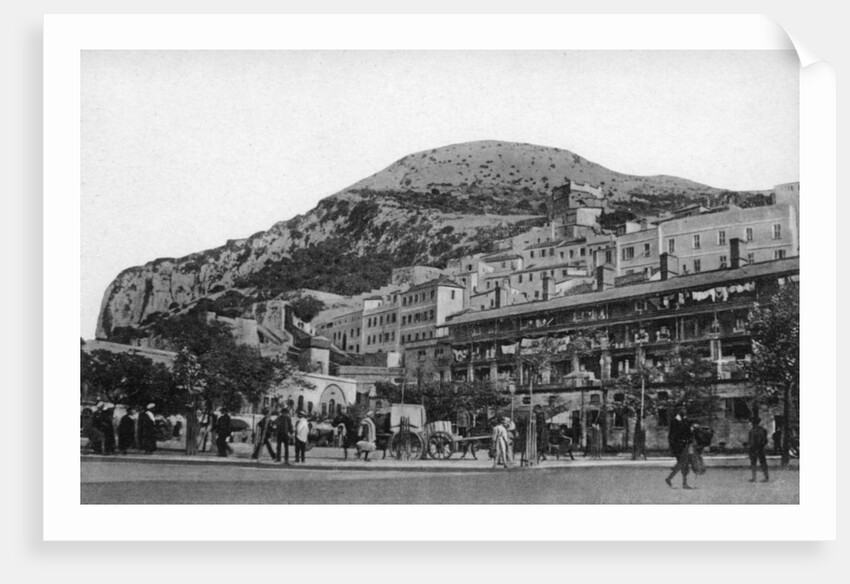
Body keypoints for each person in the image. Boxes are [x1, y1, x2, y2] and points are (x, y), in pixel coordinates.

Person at [665, 408, 694, 489]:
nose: (685, 411)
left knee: (684, 464)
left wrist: (690, 438)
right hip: (678, 446)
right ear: (679, 411)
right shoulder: (674, 421)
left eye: (685, 409)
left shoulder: (686, 420)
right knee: (682, 463)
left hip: (685, 445)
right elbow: (671, 436)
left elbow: (688, 432)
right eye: (682, 409)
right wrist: (672, 447)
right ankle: (671, 479)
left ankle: (679, 482)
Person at [748, 416, 770, 483]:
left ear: (752, 422)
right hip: (761, 448)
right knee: (763, 463)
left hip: (753, 449)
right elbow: (766, 440)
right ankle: (766, 477)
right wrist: (762, 446)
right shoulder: (763, 430)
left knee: (753, 463)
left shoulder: (752, 431)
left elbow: (751, 441)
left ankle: (754, 478)